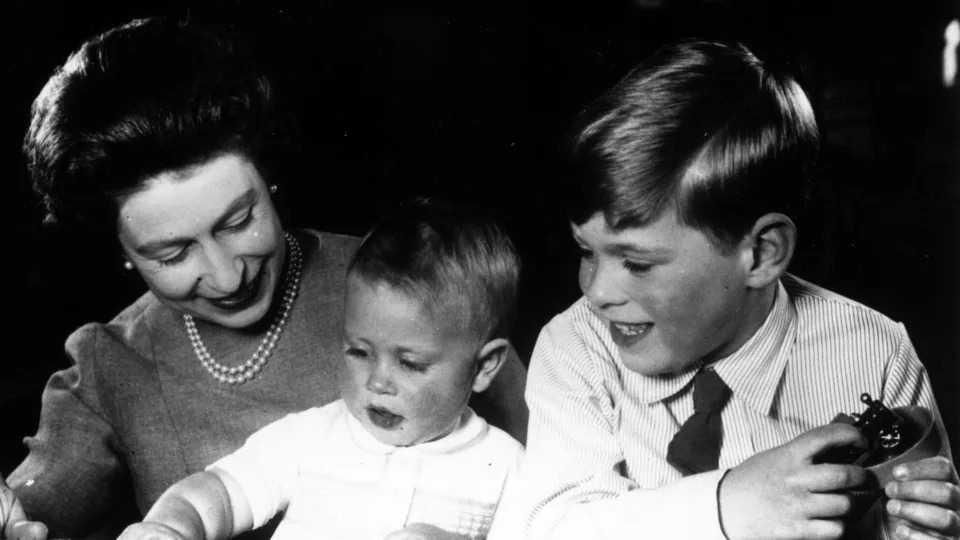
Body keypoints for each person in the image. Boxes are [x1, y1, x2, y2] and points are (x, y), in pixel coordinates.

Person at [0, 17, 527, 540]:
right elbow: (31, 507)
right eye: (173, 253)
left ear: (268, 176)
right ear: (121, 252)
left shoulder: (421, 290)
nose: (228, 277)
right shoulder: (107, 362)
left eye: (238, 221)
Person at [520, 40, 959, 540]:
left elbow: (924, 513)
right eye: (586, 251)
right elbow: (551, 525)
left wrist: (921, 527)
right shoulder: (576, 345)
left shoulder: (876, 353)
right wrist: (727, 504)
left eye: (637, 263)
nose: (597, 291)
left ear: (762, 254)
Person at [116, 197, 524, 540]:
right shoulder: (311, 437)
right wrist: (172, 526)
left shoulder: (509, 469)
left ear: (485, 365)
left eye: (410, 364)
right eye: (358, 352)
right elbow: (219, 492)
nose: (377, 381)